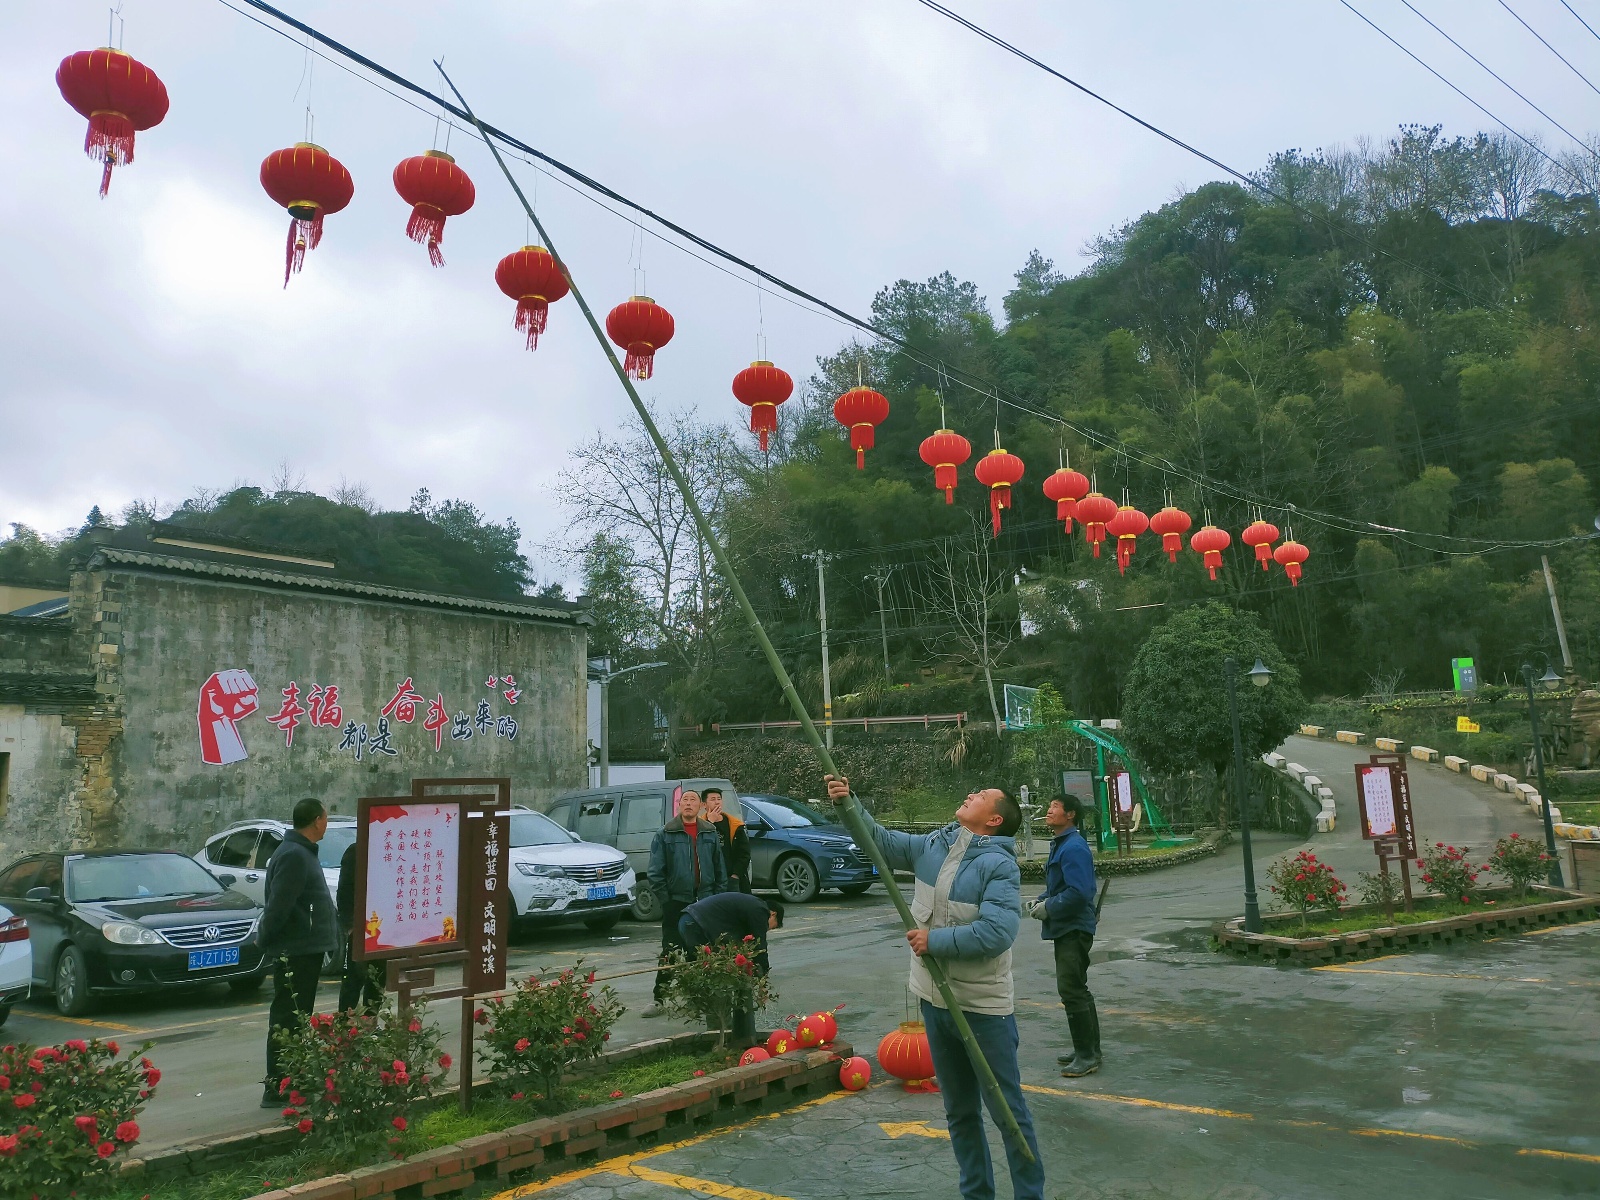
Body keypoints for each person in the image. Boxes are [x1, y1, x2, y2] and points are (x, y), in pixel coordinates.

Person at [824, 773, 1045, 1200]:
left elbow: (998, 932)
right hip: (935, 1003)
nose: (970, 793)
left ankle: (1029, 1195)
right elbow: (881, 842)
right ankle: (976, 1194)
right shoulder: (934, 846)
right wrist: (847, 802)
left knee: (1007, 1112)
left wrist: (934, 941)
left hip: (983, 1009)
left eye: (980, 796)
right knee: (960, 1112)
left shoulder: (998, 866)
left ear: (994, 819)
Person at [258, 798, 340, 1106]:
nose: (327, 824)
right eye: (326, 819)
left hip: (305, 948)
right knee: (287, 1017)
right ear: (317, 820)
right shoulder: (294, 854)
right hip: (296, 950)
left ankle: (293, 1080)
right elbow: (279, 906)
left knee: (297, 1017)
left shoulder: (301, 851)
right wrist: (263, 941)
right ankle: (277, 1086)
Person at [1028, 794, 1100, 1077]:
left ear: (1070, 814)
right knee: (1076, 987)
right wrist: (1042, 899)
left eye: (1054, 807)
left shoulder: (1073, 848)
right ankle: (1089, 1049)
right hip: (1066, 927)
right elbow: (1060, 885)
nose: (1049, 810)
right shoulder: (1062, 844)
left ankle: (1087, 1055)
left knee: (1071, 989)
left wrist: (1050, 907)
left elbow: (1080, 892)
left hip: (1074, 928)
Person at [642, 789, 728, 1018]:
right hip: (677, 902)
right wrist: (667, 901)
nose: (688, 804)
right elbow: (655, 873)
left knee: (701, 949)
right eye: (684, 800)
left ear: (701, 806)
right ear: (679, 806)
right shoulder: (665, 834)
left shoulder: (709, 832)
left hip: (705, 901)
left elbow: (720, 869)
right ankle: (659, 999)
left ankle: (698, 997)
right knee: (670, 950)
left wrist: (717, 896)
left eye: (692, 800)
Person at [678, 891, 784, 1046]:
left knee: (710, 973)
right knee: (716, 980)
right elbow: (760, 946)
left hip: (688, 921)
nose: (768, 929)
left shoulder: (748, 908)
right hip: (695, 924)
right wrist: (763, 973)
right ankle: (719, 1034)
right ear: (773, 914)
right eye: (773, 926)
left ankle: (717, 1030)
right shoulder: (760, 910)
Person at [335, 837, 384, 1013]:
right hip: (360, 928)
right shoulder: (355, 851)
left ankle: (371, 1021)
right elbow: (344, 893)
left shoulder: (389, 849)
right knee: (353, 980)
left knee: (377, 979)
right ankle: (345, 1026)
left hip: (382, 929)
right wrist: (350, 927)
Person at [703, 788, 751, 893]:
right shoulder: (701, 825)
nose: (716, 802)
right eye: (712, 799)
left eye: (719, 799)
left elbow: (744, 853)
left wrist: (735, 875)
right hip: (710, 880)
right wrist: (710, 823)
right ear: (704, 805)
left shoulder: (735, 824)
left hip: (732, 877)